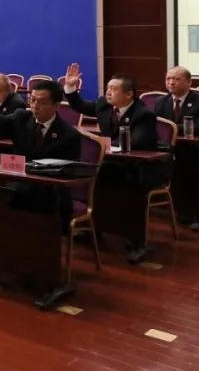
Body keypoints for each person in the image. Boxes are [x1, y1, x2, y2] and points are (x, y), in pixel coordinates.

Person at [63, 62, 162, 261]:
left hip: (141, 166)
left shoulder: (144, 114)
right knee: (92, 173)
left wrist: (103, 144)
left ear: (129, 94)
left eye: (113, 89)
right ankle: (95, 229)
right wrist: (71, 88)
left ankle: (136, 240)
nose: (108, 92)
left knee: (124, 186)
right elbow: (80, 106)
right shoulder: (103, 105)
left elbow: (137, 142)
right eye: (107, 88)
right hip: (112, 163)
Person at [0, 72, 81, 224]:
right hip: (18, 183)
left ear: (56, 105)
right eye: (32, 100)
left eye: (42, 102)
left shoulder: (69, 135)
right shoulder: (21, 118)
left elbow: (68, 173)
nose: (35, 106)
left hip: (49, 193)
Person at [155, 65, 199, 135]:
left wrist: (170, 128)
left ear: (189, 82)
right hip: (164, 141)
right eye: (168, 79)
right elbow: (154, 124)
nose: (171, 82)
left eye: (177, 79)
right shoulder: (160, 101)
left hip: (190, 141)